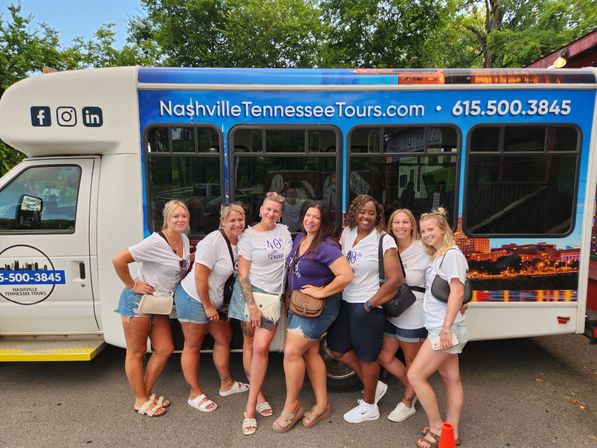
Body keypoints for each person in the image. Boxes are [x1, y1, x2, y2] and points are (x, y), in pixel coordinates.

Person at [272, 201, 353, 433]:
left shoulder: (327, 246)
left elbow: (346, 275)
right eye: (308, 215)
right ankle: (322, 404)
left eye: (316, 217)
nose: (310, 220)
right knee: (310, 352)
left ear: (324, 221)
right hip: (300, 306)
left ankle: (292, 407)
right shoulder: (300, 239)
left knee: (291, 353)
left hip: (319, 308)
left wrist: (322, 291)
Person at [326, 194, 403, 423]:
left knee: (369, 357)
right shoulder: (347, 234)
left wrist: (371, 304)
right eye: (362, 211)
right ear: (354, 213)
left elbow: (395, 279)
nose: (366, 216)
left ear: (378, 215)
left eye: (371, 212)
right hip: (346, 301)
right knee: (336, 347)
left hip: (368, 306)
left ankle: (370, 406)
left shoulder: (384, 239)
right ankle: (375, 386)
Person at [112, 200, 191, 417]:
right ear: (167, 218)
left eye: (184, 216)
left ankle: (145, 393)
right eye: (175, 216)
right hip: (138, 303)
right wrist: (132, 284)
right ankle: (141, 401)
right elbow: (118, 259)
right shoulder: (155, 242)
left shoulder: (183, 239)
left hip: (159, 304)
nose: (180, 220)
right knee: (136, 353)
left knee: (165, 349)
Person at [227, 191, 292, 435]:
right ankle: (254, 401)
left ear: (281, 214)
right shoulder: (248, 236)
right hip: (251, 296)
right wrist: (252, 305)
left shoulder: (284, 232)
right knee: (251, 344)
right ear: (261, 210)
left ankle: (252, 400)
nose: (271, 213)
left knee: (261, 347)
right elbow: (243, 274)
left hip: (273, 298)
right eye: (268, 209)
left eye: (276, 210)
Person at [174, 204, 249, 413]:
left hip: (214, 302)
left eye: (240, 219)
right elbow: (200, 277)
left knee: (224, 338)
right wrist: (207, 306)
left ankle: (227, 384)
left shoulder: (241, 240)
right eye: (232, 220)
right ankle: (194, 394)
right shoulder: (212, 242)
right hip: (194, 298)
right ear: (222, 221)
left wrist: (219, 305)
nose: (237, 224)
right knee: (193, 345)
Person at [407, 208, 469, 448]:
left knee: (415, 375)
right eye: (422, 231)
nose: (426, 234)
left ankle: (435, 429)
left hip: (444, 330)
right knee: (450, 378)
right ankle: (450, 431)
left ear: (443, 229)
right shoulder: (438, 256)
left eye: (430, 229)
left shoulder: (451, 254)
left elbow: (458, 290)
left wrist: (445, 329)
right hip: (444, 326)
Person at [378, 209, 431, 423]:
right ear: (390, 226)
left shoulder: (424, 249)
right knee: (385, 356)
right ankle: (416, 385)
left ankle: (408, 401)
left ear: (412, 226)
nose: (400, 226)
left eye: (405, 222)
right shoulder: (387, 248)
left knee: (411, 359)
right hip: (392, 309)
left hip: (414, 310)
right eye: (396, 222)